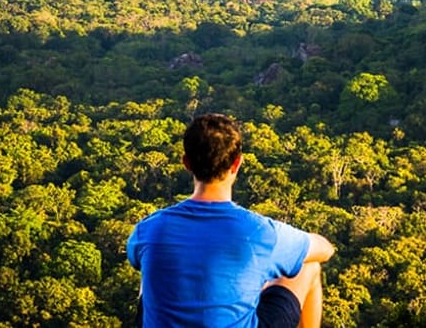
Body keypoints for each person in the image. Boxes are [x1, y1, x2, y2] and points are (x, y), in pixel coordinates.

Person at [127, 113, 335, 328]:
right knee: (308, 266)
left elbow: (137, 261)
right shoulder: (259, 232)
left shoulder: (149, 229)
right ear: (237, 163)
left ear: (186, 163)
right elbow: (325, 250)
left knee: (150, 269)